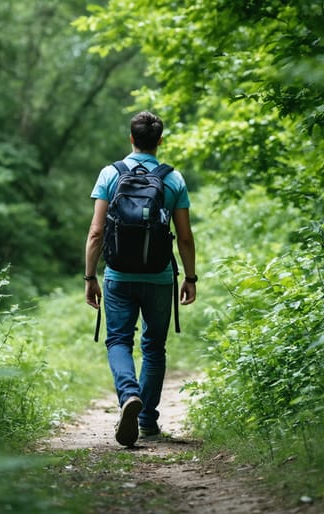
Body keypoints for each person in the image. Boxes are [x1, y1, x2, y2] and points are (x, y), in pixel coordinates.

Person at [84, 111, 198, 447]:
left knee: (119, 340)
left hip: (118, 275)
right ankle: (147, 420)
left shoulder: (111, 173)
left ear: (131, 138)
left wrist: (90, 276)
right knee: (153, 347)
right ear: (159, 141)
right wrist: (190, 277)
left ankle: (128, 395)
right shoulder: (172, 178)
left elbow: (96, 231)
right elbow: (185, 236)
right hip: (160, 276)